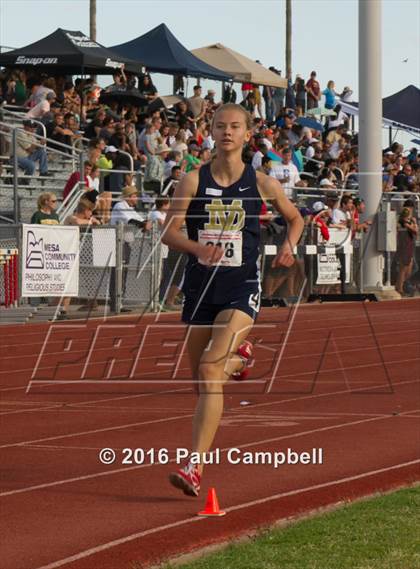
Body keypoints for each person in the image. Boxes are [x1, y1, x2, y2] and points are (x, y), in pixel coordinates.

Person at [163, 103, 304, 497]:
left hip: (242, 287)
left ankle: (194, 467)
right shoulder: (192, 181)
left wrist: (288, 246)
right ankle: (241, 359)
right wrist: (196, 247)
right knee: (201, 380)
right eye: (220, 126)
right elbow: (168, 233)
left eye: (235, 126)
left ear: (247, 134)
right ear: (210, 131)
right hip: (200, 288)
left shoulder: (262, 183)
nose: (227, 132)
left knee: (210, 371)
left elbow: (296, 218)